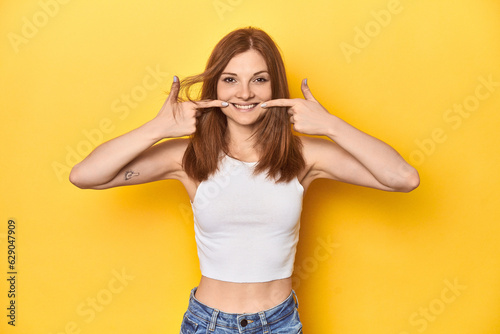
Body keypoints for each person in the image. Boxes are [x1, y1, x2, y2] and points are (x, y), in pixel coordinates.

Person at [70, 26, 419, 333]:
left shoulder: (304, 156)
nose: (245, 93)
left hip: (279, 323)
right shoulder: (187, 157)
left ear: (275, 86)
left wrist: (331, 125)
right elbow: (85, 176)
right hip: (207, 324)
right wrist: (158, 128)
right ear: (215, 86)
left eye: (260, 79)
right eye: (230, 79)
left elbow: (403, 178)